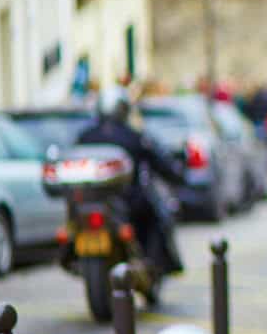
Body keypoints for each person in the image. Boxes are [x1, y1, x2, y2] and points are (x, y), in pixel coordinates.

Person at [77, 86, 188, 274]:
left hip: (90, 200)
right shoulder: (133, 136)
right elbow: (159, 162)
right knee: (155, 217)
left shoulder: (85, 136)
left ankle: (148, 265)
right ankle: (154, 264)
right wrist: (177, 173)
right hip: (127, 201)